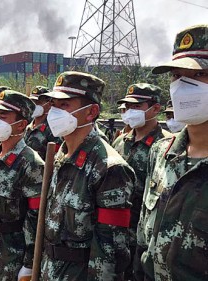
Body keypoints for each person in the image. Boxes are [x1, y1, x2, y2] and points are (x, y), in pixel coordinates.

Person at [40, 71, 135, 280]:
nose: (54, 112)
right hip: (50, 270)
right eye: (53, 104)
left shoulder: (109, 168)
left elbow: (109, 255)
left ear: (91, 112)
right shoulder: (60, 155)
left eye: (64, 105)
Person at [136, 24, 208, 281]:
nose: (181, 86)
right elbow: (144, 246)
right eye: (176, 76)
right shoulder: (161, 153)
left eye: (196, 75)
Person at [0, 90, 44, 280]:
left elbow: (36, 219)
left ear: (21, 124)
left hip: (13, 257)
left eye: (3, 117)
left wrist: (29, 264)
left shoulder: (31, 163)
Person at [111, 83, 172, 280]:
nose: (129, 112)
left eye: (136, 107)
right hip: (114, 233)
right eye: (127, 107)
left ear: (155, 109)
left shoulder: (167, 145)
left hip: (144, 238)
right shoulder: (120, 142)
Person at [25, 85, 62, 159]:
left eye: (38, 102)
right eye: (32, 102)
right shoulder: (27, 127)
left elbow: (55, 158)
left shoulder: (53, 129)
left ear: (49, 104)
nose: (34, 106)